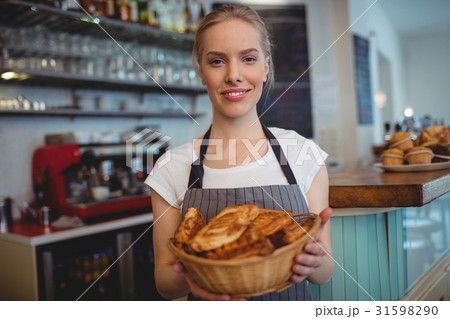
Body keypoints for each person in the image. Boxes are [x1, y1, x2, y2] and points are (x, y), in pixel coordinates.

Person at [145, 4, 334, 301]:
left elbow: (325, 273)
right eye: (217, 61)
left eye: (248, 58)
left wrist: (315, 261)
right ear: (201, 73)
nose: (234, 75)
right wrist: (194, 278)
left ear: (266, 66)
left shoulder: (303, 154)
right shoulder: (172, 166)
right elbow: (164, 281)